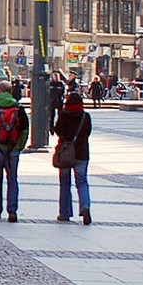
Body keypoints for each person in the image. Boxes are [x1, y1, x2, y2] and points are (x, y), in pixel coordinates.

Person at [0, 79, 30, 222]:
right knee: (12, 179)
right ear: (11, 91)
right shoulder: (18, 107)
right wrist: (19, 145)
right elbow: (25, 129)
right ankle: (12, 210)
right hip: (13, 148)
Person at [52, 90, 93, 225]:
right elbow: (87, 133)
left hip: (65, 152)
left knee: (65, 183)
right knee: (82, 182)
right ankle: (85, 207)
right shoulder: (85, 116)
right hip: (82, 153)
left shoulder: (63, 115)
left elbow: (57, 130)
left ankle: (64, 213)